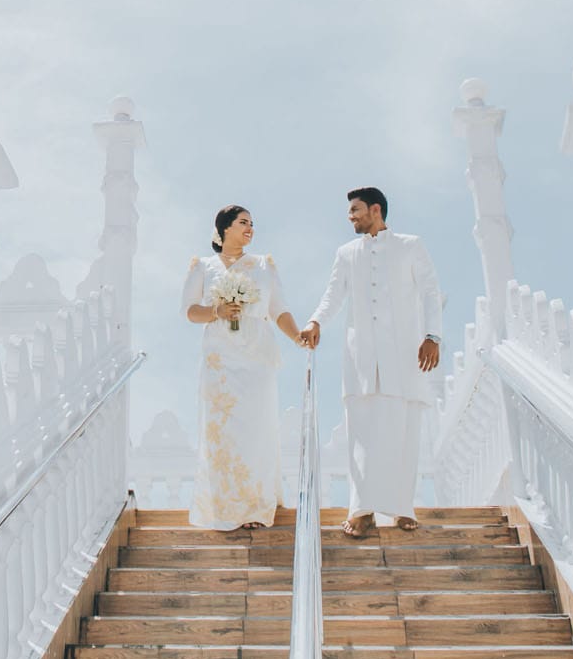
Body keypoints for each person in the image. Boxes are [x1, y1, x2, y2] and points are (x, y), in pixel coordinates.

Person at [299, 186, 442, 538]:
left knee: (404, 431)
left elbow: (430, 291)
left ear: (375, 210)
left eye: (355, 210)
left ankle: (402, 508)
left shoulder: (410, 245)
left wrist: (432, 336)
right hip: (360, 355)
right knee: (361, 434)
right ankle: (362, 510)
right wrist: (316, 321)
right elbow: (333, 295)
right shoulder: (347, 253)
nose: (350, 216)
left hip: (405, 353)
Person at [181, 204, 306, 531]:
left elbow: (279, 309)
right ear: (224, 228)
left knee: (257, 426)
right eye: (243, 222)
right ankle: (225, 508)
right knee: (222, 428)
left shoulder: (264, 265)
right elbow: (189, 310)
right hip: (219, 358)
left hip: (256, 355)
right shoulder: (203, 267)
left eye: (252, 223)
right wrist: (217, 312)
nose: (250, 228)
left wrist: (297, 336)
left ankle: (255, 506)